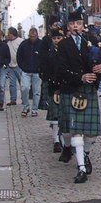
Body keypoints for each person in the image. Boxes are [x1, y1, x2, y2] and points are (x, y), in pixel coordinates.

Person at [57, 10, 101, 184]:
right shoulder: (64, 45)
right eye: (73, 24)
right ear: (68, 27)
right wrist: (80, 77)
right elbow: (61, 69)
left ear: (83, 25)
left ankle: (85, 154)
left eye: (79, 24)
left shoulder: (92, 41)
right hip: (72, 89)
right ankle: (81, 167)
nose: (76, 27)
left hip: (88, 91)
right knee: (76, 132)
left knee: (91, 134)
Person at [40, 28, 67, 156]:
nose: (57, 41)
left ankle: (64, 141)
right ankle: (56, 141)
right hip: (53, 86)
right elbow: (44, 69)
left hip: (66, 86)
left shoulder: (68, 52)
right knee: (55, 115)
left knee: (65, 115)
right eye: (55, 38)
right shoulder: (49, 53)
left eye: (59, 38)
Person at [17, 27, 42, 117]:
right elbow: (19, 56)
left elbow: (45, 57)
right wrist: (22, 66)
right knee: (24, 88)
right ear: (29, 35)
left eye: (34, 36)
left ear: (37, 35)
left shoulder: (41, 44)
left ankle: (34, 109)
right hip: (26, 71)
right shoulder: (23, 44)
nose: (32, 38)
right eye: (31, 36)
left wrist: (41, 68)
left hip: (37, 72)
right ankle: (26, 107)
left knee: (36, 91)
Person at [6, 27, 24, 106]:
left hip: (19, 66)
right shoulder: (8, 43)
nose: (7, 35)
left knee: (22, 83)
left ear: (12, 34)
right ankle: (13, 99)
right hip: (10, 66)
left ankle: (24, 99)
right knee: (12, 84)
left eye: (8, 34)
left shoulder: (20, 41)